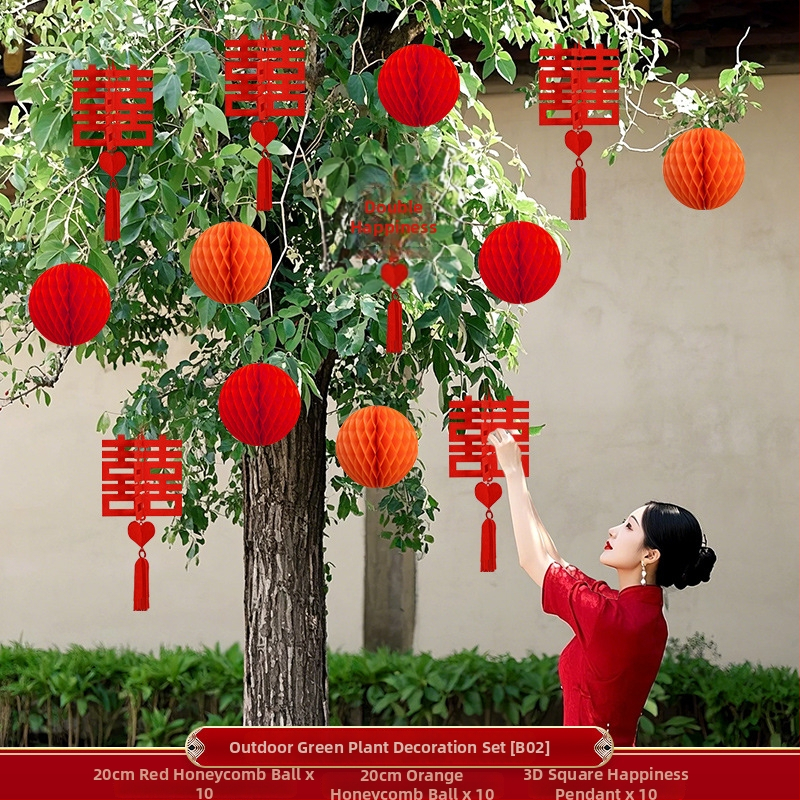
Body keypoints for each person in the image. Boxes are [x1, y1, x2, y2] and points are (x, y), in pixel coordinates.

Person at [487, 428, 717, 746]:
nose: (613, 529)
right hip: (611, 763)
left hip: (591, 772)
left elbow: (532, 561)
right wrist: (520, 478)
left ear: (650, 554)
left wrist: (512, 473)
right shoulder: (641, 614)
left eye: (628, 527)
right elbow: (554, 560)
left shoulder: (611, 618)